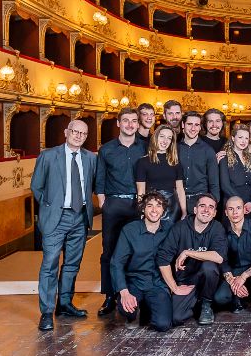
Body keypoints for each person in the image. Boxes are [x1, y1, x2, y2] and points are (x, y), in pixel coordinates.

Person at [31, 119, 96, 331]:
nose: (78, 136)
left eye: (83, 133)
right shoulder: (49, 156)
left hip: (80, 217)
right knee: (49, 264)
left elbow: (92, 185)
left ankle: (65, 304)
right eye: (75, 131)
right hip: (56, 218)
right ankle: (46, 312)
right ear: (66, 132)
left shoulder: (90, 158)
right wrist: (51, 206)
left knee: (72, 264)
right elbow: (36, 186)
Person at [96, 107, 147, 317]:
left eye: (134, 121)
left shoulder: (144, 147)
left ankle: (133, 293)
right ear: (118, 123)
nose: (130, 124)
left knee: (136, 250)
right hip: (114, 204)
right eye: (125, 120)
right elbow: (100, 178)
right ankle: (110, 295)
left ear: (138, 124)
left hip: (137, 204)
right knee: (109, 251)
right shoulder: (106, 149)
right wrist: (103, 203)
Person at [157, 194, 227, 326]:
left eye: (211, 207)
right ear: (195, 209)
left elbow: (218, 257)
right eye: (202, 206)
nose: (206, 210)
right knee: (176, 317)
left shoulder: (217, 228)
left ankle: (206, 304)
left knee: (209, 266)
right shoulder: (180, 227)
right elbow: (162, 259)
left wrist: (187, 252)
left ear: (214, 213)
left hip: (208, 280)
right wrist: (174, 287)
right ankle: (197, 303)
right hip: (186, 281)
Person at [110, 191, 173, 331]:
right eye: (150, 206)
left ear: (163, 210)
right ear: (143, 209)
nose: (154, 210)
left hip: (157, 284)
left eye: (158, 206)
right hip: (134, 283)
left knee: (163, 324)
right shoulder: (130, 230)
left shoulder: (170, 229)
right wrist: (124, 292)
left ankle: (147, 307)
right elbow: (117, 262)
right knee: (127, 310)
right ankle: (134, 311)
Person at [219, 124, 251, 229]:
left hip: (250, 204)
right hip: (233, 204)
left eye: (246, 138)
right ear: (233, 138)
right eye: (240, 137)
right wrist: (241, 204)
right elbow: (225, 185)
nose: (243, 141)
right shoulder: (224, 157)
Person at [135, 124, 187, 222]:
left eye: (169, 138)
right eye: (162, 136)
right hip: (152, 207)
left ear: (171, 142)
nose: (165, 141)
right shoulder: (143, 162)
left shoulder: (175, 162)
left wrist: (184, 211)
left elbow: (180, 189)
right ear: (155, 137)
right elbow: (141, 190)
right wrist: (142, 211)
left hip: (172, 207)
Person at [178, 111, 220, 208]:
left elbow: (214, 182)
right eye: (189, 124)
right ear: (183, 125)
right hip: (177, 200)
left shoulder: (208, 150)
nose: (193, 128)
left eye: (196, 125)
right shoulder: (175, 148)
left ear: (200, 127)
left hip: (200, 201)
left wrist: (214, 204)